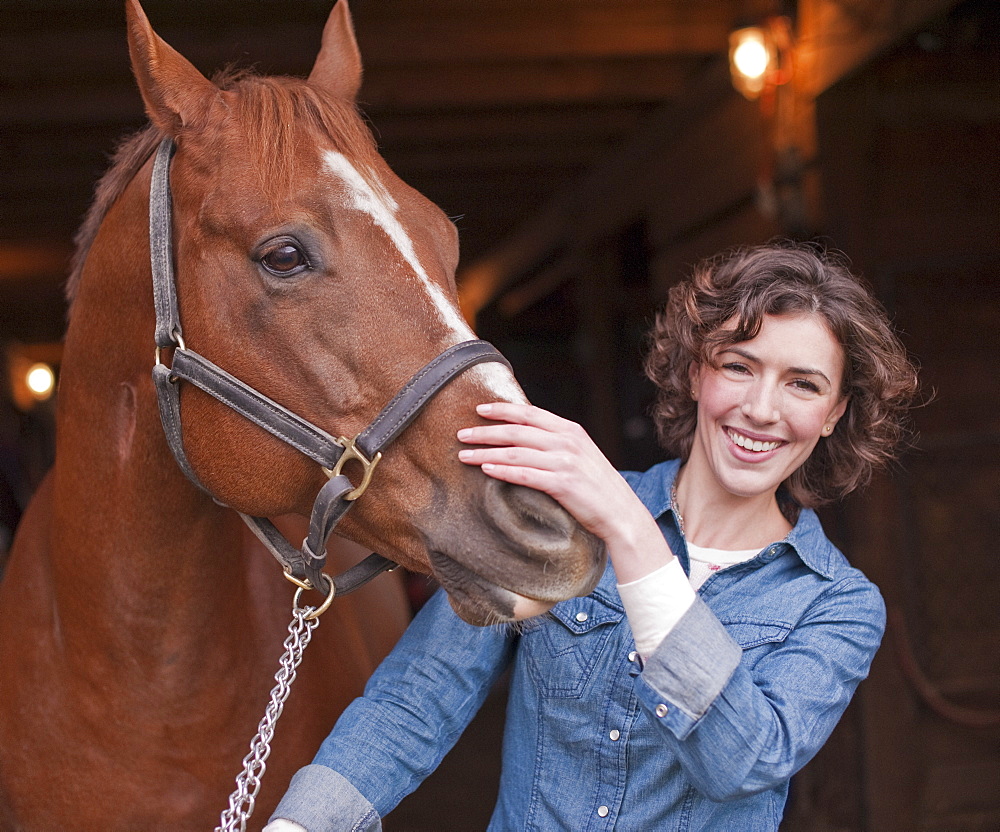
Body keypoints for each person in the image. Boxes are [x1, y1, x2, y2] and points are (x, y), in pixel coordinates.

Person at [265, 241, 919, 831]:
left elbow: (741, 764)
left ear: (834, 414)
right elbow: (421, 694)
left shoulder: (839, 605)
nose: (762, 409)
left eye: (802, 385)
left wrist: (630, 530)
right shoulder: (555, 516)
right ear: (696, 372)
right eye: (739, 367)